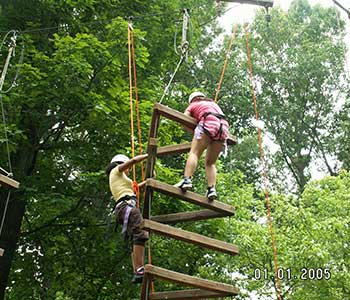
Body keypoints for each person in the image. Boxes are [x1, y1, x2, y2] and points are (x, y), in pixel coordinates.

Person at [175, 91, 229, 200]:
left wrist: (193, 131)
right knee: (211, 163)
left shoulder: (193, 105)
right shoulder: (214, 104)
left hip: (208, 122)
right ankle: (211, 189)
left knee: (194, 153)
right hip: (223, 127)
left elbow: (183, 119)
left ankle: (187, 180)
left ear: (192, 100)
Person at [105, 153, 149, 283]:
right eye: (128, 168)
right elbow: (134, 160)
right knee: (140, 233)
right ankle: (140, 268)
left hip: (124, 208)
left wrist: (149, 182)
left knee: (134, 239)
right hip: (127, 207)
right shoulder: (116, 170)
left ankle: (137, 271)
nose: (129, 170)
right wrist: (149, 155)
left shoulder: (121, 180)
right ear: (121, 163)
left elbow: (136, 189)